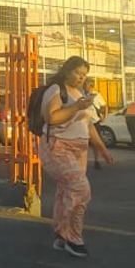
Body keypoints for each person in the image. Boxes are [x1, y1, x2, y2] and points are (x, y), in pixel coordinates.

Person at [40, 55, 114, 259]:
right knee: (80, 189)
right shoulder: (56, 90)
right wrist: (76, 107)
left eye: (84, 74)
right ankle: (73, 238)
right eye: (78, 73)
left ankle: (62, 235)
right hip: (58, 147)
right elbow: (51, 118)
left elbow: (87, 125)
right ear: (66, 71)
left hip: (78, 150)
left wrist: (102, 150)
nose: (82, 77)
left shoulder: (79, 93)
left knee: (67, 191)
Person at [83, 78, 107, 170]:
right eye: (85, 84)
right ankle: (83, 161)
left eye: (86, 84)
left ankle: (96, 161)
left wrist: (104, 116)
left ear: (91, 86)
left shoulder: (97, 95)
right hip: (84, 122)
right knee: (84, 142)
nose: (85, 86)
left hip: (94, 122)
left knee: (96, 143)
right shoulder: (81, 94)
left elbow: (104, 106)